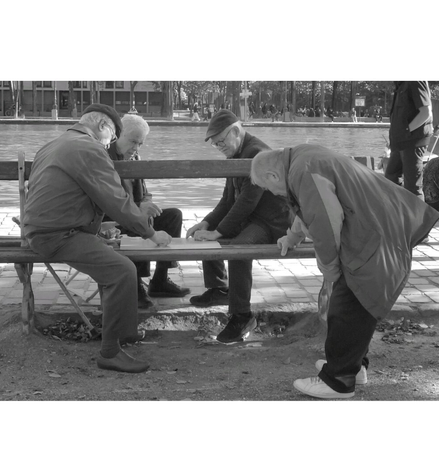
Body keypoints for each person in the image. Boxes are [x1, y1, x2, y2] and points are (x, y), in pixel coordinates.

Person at [250, 144, 439, 399]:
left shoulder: (302, 171)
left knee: (346, 305)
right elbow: (309, 205)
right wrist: (292, 237)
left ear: (273, 176)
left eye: (266, 187)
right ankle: (353, 368)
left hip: (376, 233)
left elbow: (325, 221)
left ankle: (338, 381)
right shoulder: (301, 159)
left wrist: (329, 269)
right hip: (381, 222)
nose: (269, 192)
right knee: (358, 304)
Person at [23, 103, 172, 374]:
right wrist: (151, 233)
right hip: (56, 235)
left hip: (47, 229)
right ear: (103, 126)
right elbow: (116, 201)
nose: (110, 143)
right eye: (113, 136)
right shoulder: (89, 148)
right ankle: (110, 353)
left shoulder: (55, 143)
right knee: (122, 270)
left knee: (115, 263)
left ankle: (123, 333)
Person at [186, 110, 291, 344]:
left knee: (238, 247)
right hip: (253, 217)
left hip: (272, 222)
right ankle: (220, 289)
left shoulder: (257, 153)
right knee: (208, 236)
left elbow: (246, 202)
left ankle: (242, 316)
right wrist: (207, 223)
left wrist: (218, 231)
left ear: (235, 131)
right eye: (215, 144)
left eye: (221, 141)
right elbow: (227, 199)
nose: (219, 146)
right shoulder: (236, 153)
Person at [106, 114, 190, 308]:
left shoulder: (135, 157)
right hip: (113, 220)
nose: (136, 148)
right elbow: (108, 202)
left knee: (173, 216)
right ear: (118, 135)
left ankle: (160, 280)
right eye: (133, 141)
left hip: (134, 213)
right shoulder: (105, 157)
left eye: (140, 144)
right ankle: (134, 287)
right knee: (137, 222)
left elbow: (144, 192)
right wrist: (138, 209)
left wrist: (146, 204)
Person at [385, 81, 433, 200]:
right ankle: (398, 211)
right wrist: (394, 139)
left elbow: (426, 112)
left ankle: (418, 217)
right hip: (400, 141)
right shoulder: (401, 84)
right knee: (391, 177)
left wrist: (405, 131)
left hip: (413, 141)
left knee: (412, 187)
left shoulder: (415, 80)